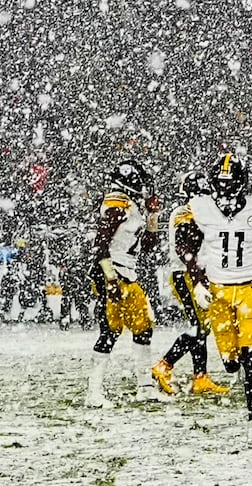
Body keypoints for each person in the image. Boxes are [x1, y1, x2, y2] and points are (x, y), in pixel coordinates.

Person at [172, 153, 252, 420]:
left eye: (229, 185)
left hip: (250, 291)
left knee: (251, 358)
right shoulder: (199, 207)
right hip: (218, 293)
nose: (224, 192)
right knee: (232, 363)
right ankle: (237, 372)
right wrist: (198, 282)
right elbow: (184, 246)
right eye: (220, 186)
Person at [86, 159, 160, 408]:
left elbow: (149, 245)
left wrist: (152, 215)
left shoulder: (131, 205)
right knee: (109, 332)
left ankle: (145, 387)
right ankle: (93, 392)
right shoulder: (117, 204)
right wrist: (109, 280)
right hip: (113, 273)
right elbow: (100, 245)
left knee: (143, 328)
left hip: (128, 273)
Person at [150, 171, 228, 398]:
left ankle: (200, 377)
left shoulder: (190, 210)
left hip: (191, 273)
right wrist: (198, 280)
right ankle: (164, 365)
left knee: (200, 326)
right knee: (199, 328)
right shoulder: (188, 212)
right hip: (186, 275)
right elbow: (185, 250)